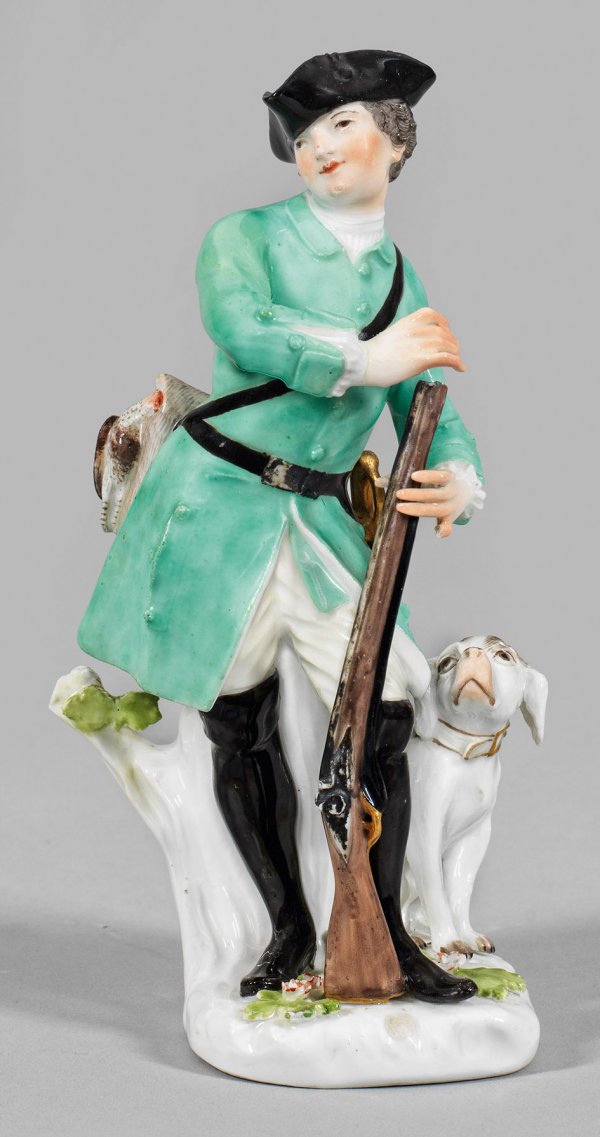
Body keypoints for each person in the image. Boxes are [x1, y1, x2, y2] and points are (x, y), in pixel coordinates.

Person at [78, 50, 484, 1002]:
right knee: (238, 723)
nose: (319, 148)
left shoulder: (401, 277)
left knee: (383, 717)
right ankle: (287, 928)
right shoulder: (245, 237)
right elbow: (244, 325)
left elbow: (430, 401)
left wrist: (462, 478)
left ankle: (387, 938)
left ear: (395, 139)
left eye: (341, 125)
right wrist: (361, 358)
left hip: (322, 525)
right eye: (303, 137)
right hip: (223, 511)